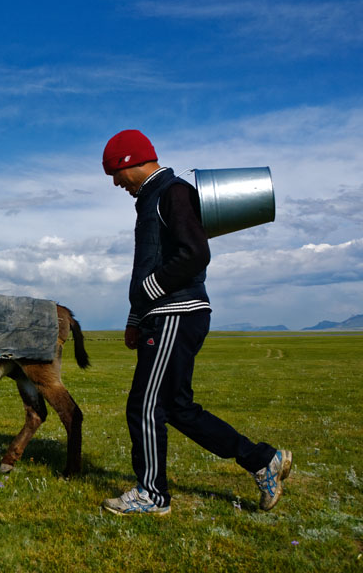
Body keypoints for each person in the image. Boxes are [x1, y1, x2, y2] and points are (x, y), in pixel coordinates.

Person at [100, 129, 292, 516]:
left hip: (176, 313)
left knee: (145, 407)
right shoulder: (153, 198)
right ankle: (261, 460)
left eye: (115, 175)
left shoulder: (173, 192)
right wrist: (136, 317)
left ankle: (151, 495)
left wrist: (151, 292)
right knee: (177, 408)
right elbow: (150, 261)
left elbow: (194, 254)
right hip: (165, 314)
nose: (117, 184)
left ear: (128, 163)